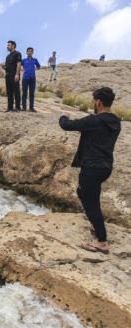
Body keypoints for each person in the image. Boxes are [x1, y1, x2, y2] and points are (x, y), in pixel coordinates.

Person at [59, 87, 121, 254]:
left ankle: (102, 242)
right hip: (105, 167)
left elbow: (67, 125)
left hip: (92, 167)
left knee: (92, 204)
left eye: (94, 101)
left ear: (99, 102)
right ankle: (97, 224)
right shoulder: (116, 122)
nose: (94, 104)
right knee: (83, 192)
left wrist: (64, 115)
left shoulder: (94, 121)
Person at [3, 40, 22, 112]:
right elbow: (7, 66)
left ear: (13, 46)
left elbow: (19, 64)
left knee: (16, 91)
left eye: (9, 45)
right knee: (9, 92)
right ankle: (10, 108)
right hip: (8, 75)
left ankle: (17, 108)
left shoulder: (17, 53)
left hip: (14, 75)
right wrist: (4, 67)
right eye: (7, 45)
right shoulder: (7, 56)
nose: (7, 46)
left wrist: (17, 74)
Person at [21, 47, 41, 112]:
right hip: (25, 78)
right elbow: (18, 65)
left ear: (32, 52)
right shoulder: (23, 60)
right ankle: (24, 108)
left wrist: (34, 70)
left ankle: (31, 108)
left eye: (31, 51)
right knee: (24, 93)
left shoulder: (35, 60)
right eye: (28, 51)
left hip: (32, 78)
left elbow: (38, 66)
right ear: (26, 52)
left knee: (32, 93)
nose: (29, 52)